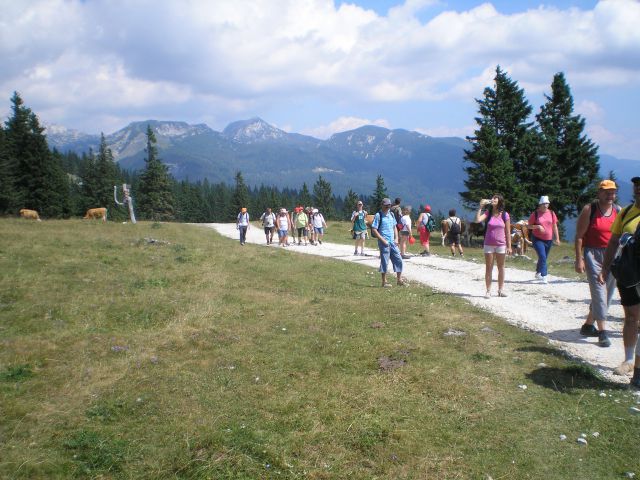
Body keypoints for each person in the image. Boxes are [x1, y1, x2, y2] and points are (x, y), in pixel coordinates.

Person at [599, 176, 640, 380]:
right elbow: (613, 242)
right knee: (632, 317)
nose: (638, 189)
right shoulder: (625, 213)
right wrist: (605, 269)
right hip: (629, 272)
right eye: (636, 186)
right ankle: (629, 360)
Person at [574, 180, 619, 348]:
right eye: (607, 192)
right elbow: (579, 236)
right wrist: (579, 259)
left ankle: (587, 326)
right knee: (600, 293)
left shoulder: (618, 211)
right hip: (593, 255)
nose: (610, 195)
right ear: (599, 193)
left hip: (613, 256)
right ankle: (602, 332)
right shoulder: (590, 210)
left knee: (607, 294)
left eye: (613, 192)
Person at [475, 195, 511, 298]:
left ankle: (500, 290)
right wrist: (480, 207)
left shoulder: (505, 215)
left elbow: (508, 232)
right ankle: (488, 291)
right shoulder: (488, 213)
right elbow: (478, 220)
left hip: (501, 244)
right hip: (488, 244)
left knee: (501, 267)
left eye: (496, 198)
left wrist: (509, 246)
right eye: (493, 198)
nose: (493, 199)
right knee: (489, 268)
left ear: (500, 201)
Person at [371, 197, 406, 287]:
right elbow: (374, 229)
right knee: (385, 262)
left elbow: (394, 227)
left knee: (399, 260)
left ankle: (399, 280)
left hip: (392, 242)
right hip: (384, 243)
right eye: (386, 205)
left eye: (389, 205)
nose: (388, 207)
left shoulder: (391, 214)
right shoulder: (378, 215)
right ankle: (384, 282)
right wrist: (382, 240)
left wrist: (396, 238)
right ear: (382, 205)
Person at [528, 195, 561, 283]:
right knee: (542, 256)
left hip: (549, 239)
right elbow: (529, 226)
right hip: (537, 239)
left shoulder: (551, 213)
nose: (545, 205)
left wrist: (557, 238)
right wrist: (538, 226)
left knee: (543, 257)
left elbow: (554, 226)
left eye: (547, 203)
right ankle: (544, 275)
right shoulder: (535, 214)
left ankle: (538, 272)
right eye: (544, 203)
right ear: (540, 204)